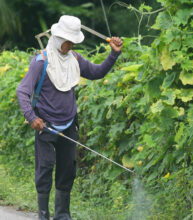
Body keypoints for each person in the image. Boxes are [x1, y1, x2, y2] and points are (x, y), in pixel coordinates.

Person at [16, 15, 123, 220]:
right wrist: (31, 118)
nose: (70, 44)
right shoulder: (41, 61)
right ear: (56, 38)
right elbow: (22, 91)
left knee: (67, 170)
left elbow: (96, 72)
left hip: (69, 124)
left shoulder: (74, 59)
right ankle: (44, 215)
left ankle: (63, 215)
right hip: (45, 126)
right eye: (67, 40)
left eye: (72, 41)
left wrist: (113, 55)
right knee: (45, 169)